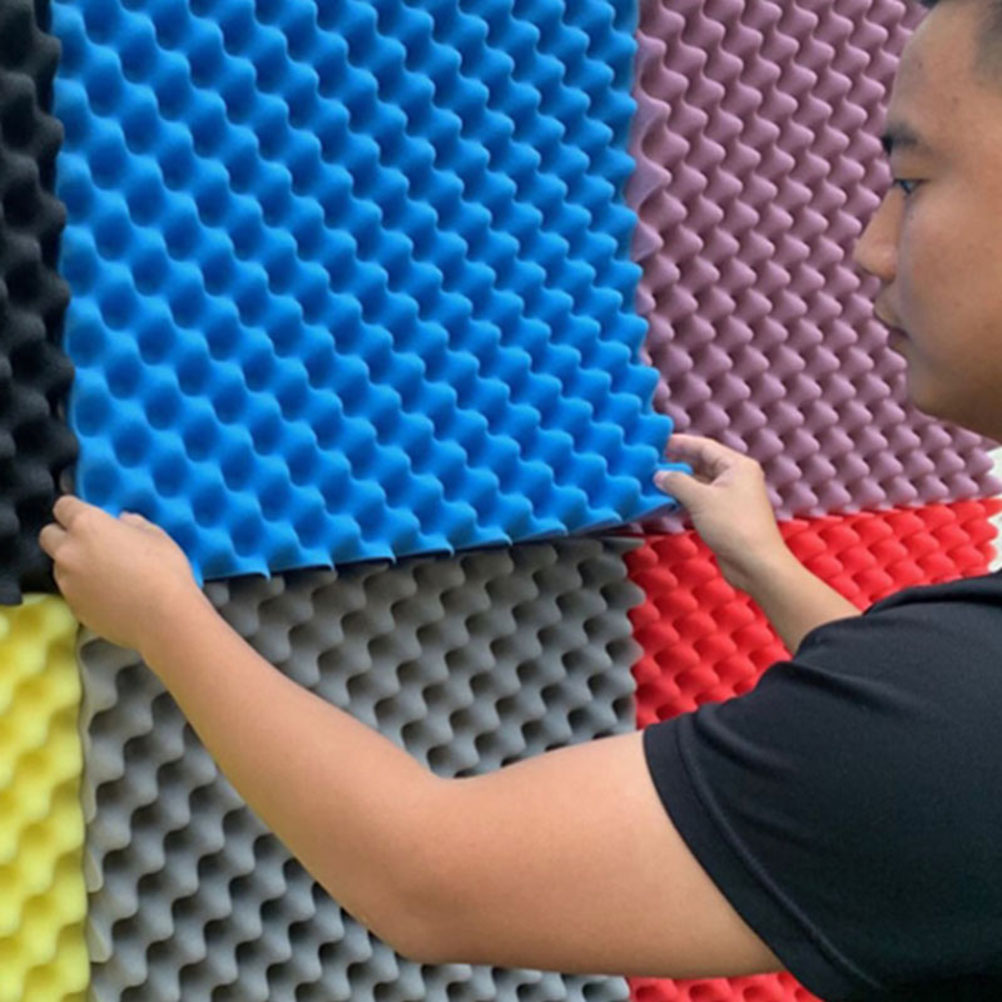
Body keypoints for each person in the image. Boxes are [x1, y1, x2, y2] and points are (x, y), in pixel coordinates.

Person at [38, 0, 1002, 997]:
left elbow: (425, 876)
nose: (871, 248)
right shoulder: (952, 709)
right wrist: (767, 566)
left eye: (912, 181)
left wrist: (162, 614)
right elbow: (903, 729)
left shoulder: (961, 720)